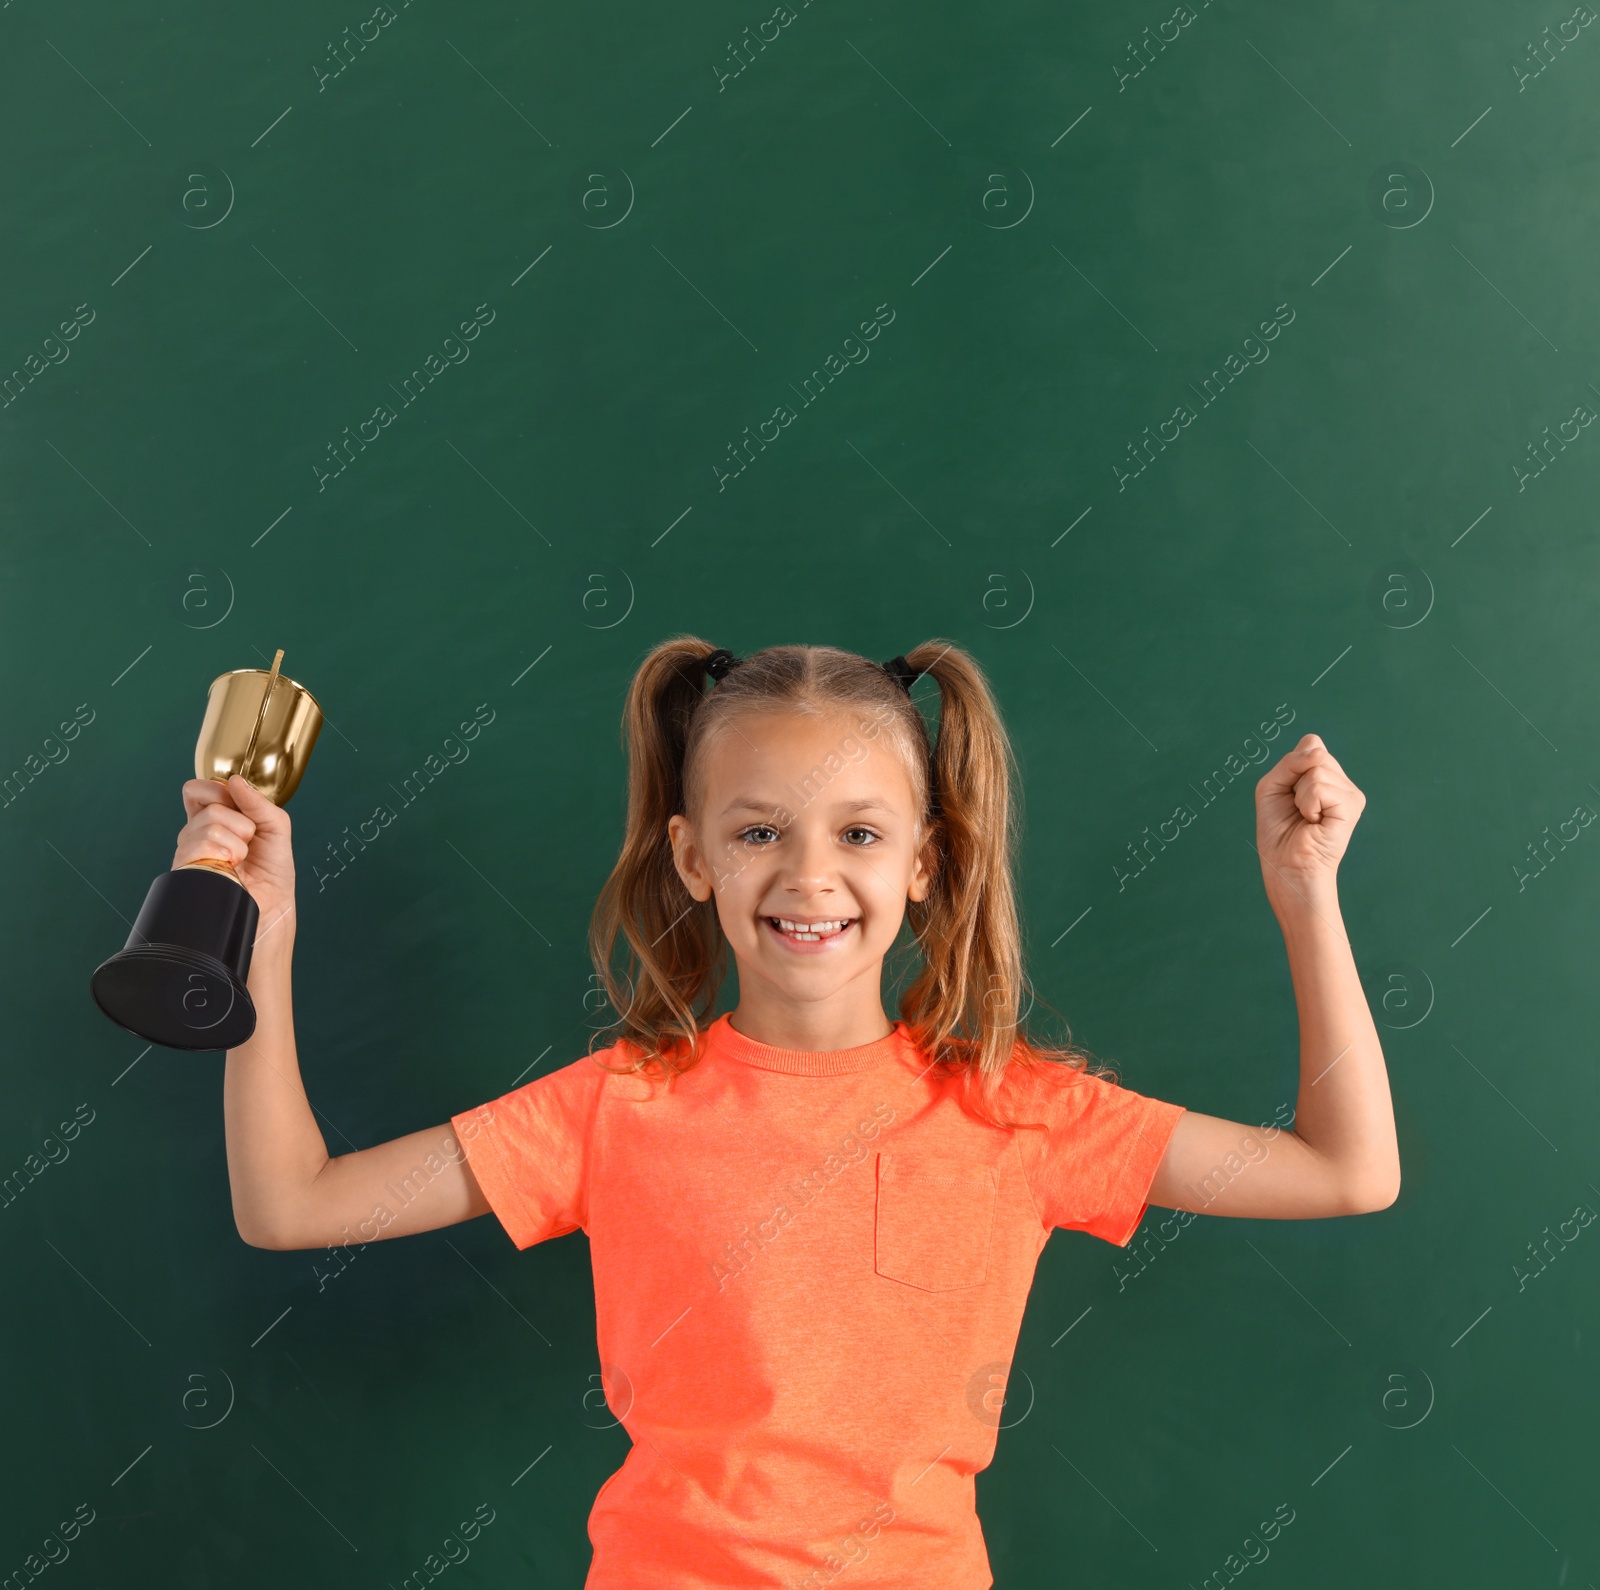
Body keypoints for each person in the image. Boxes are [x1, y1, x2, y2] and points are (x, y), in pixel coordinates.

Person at [180, 637, 1399, 1590]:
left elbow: (1347, 1169)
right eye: (758, 831)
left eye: (858, 833)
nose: (808, 875)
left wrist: (1305, 897)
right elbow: (291, 1205)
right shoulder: (615, 1107)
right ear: (693, 856)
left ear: (923, 859)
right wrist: (263, 938)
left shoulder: (1017, 1110)